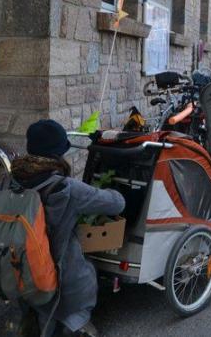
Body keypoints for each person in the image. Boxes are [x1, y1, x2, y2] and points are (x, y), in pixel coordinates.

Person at [11, 120, 125, 336]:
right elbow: (117, 203)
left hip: (19, 268)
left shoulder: (12, 181)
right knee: (85, 273)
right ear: (58, 153)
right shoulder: (66, 188)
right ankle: (73, 324)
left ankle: (35, 316)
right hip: (59, 277)